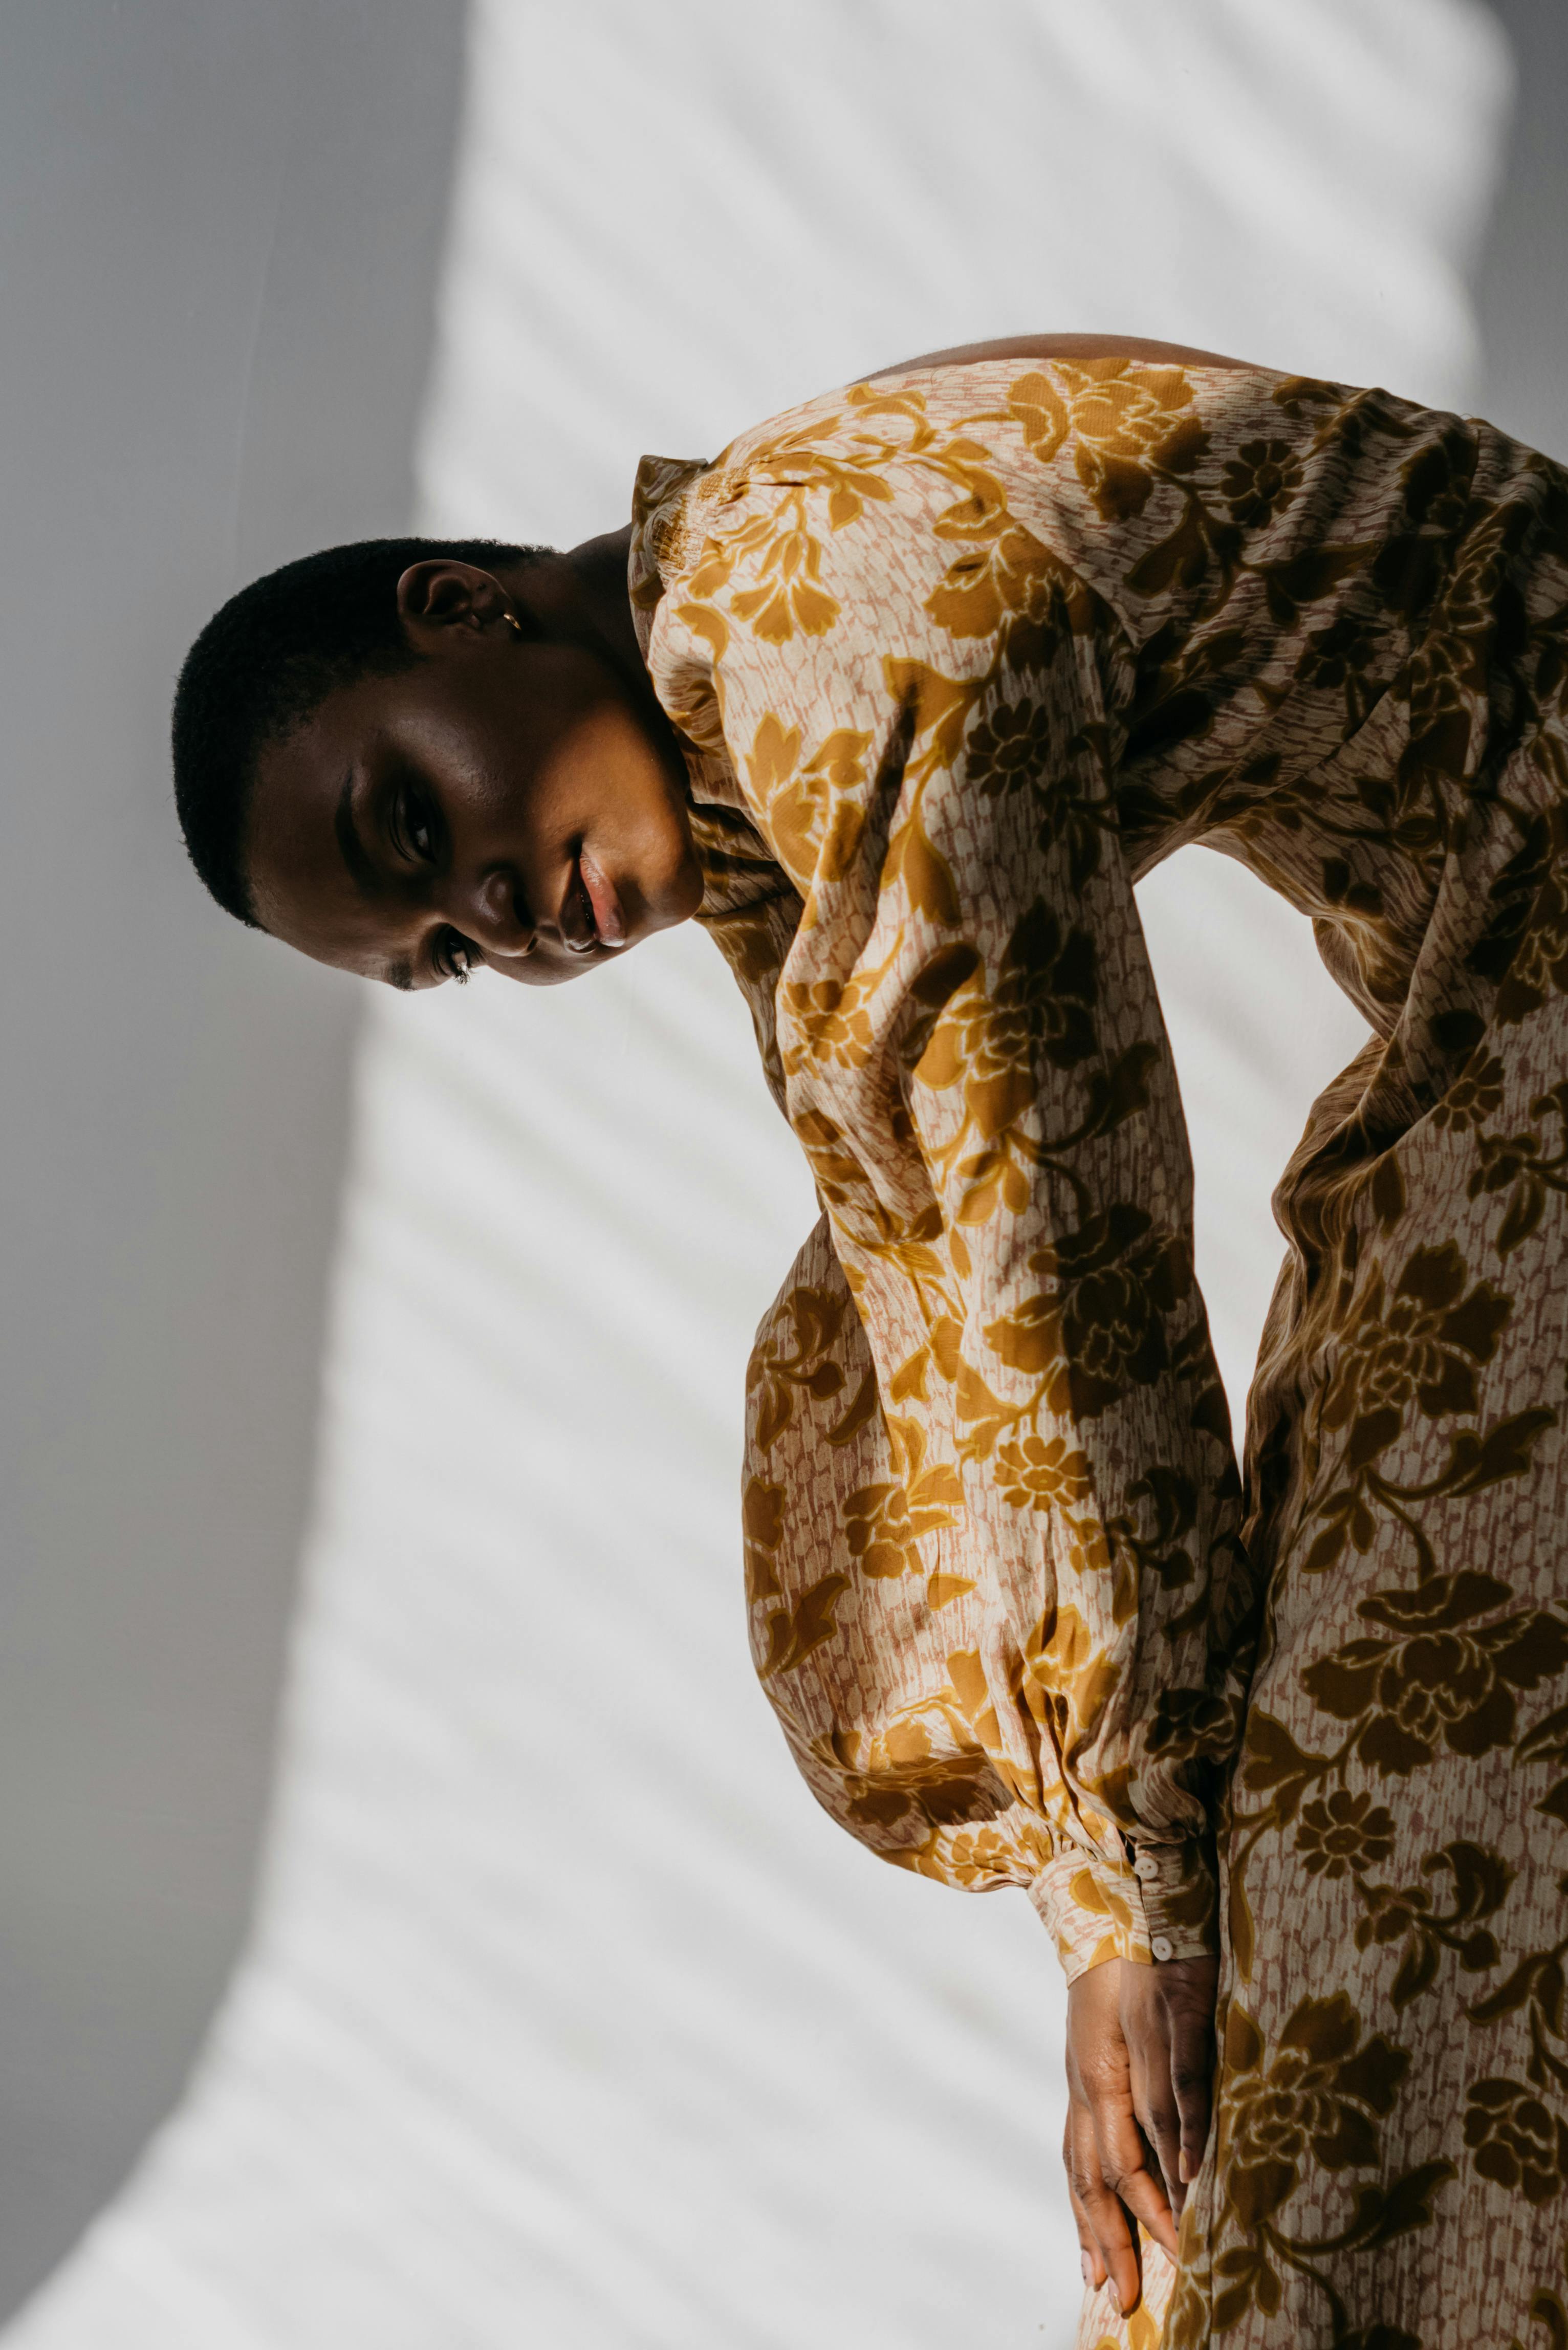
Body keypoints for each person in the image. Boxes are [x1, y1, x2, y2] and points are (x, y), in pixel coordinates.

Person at [171, 334, 1568, 2350]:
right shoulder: (746, 654)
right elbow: (916, 1242)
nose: (494, 910)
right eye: (448, 954)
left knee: (1363, 1881)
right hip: (1495, 1003)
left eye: (411, 824)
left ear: (461, 607)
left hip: (1527, 995)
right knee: (1320, 1851)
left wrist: (1131, 1905)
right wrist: (1115, 1876)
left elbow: (1043, 1244)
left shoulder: (812, 622)